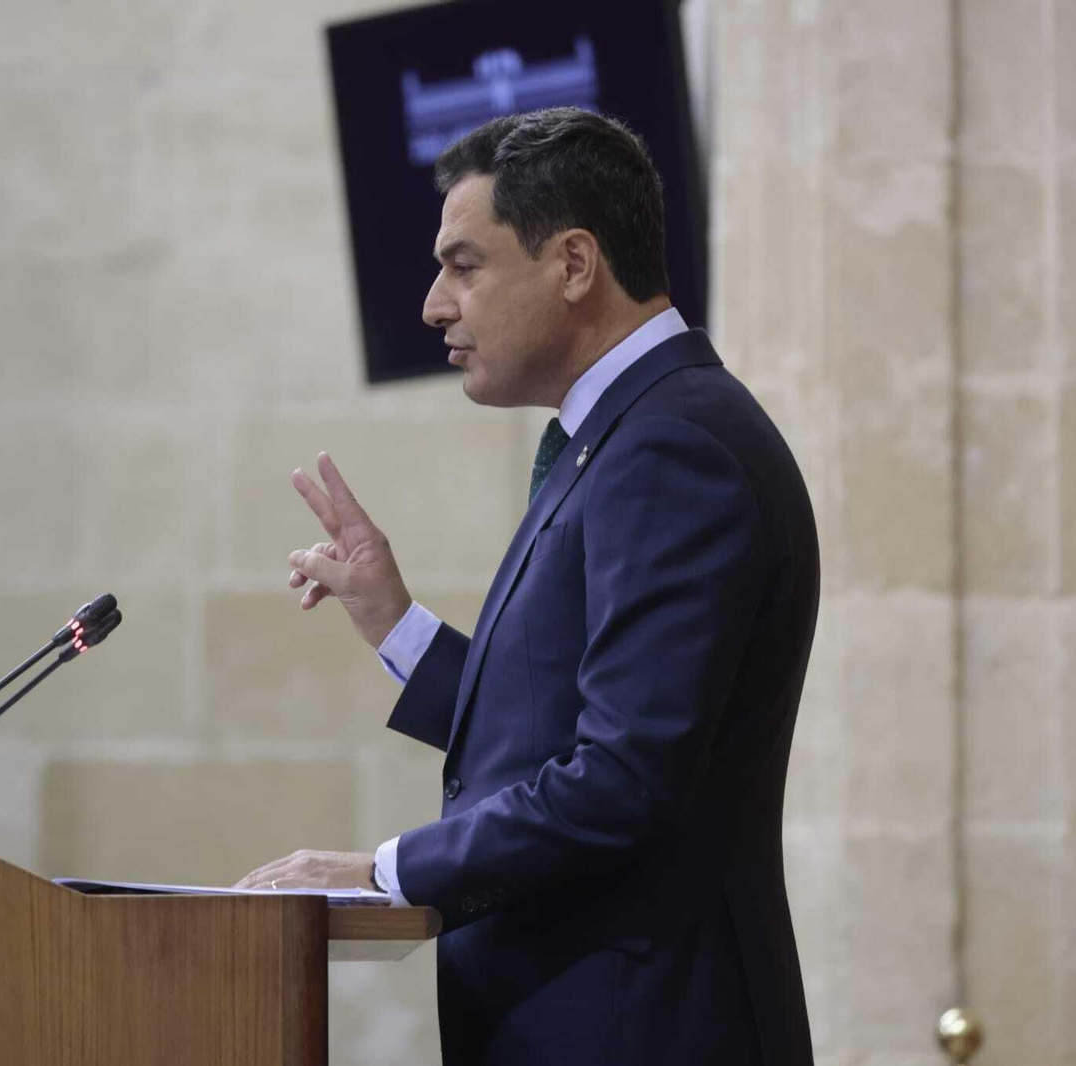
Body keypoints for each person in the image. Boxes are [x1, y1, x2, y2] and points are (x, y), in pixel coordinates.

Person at [237, 107, 818, 1064]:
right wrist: (394, 621)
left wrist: (382, 872)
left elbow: (621, 781)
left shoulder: (671, 447)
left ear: (574, 263)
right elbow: (560, 729)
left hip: (641, 1030)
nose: (435, 305)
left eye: (464, 266)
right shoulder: (634, 432)